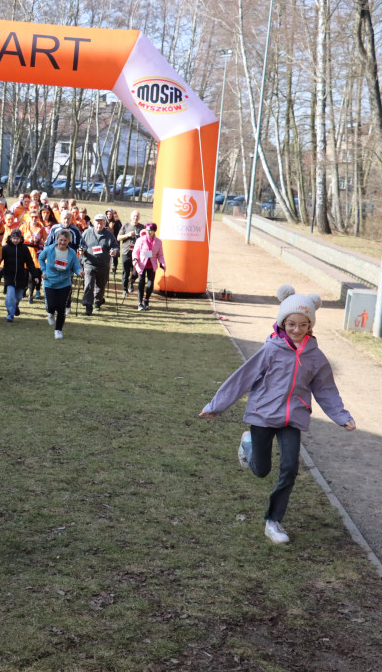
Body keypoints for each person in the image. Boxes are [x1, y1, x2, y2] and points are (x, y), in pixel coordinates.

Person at [198, 285, 357, 544]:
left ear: (310, 326)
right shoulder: (271, 350)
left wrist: (341, 416)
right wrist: (216, 405)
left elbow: (325, 389)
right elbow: (242, 378)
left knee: (290, 467)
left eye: (303, 325)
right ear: (283, 322)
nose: (296, 330)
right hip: (262, 416)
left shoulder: (316, 357)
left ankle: (273, 521)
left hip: (292, 419)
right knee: (261, 470)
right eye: (291, 324)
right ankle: (247, 443)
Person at [38, 229, 82, 340]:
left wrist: (79, 271)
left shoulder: (71, 253)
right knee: (51, 306)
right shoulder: (49, 249)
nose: (62, 243)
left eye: (65, 240)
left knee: (61, 307)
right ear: (57, 239)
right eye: (60, 240)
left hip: (64, 283)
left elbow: (76, 266)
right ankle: (51, 313)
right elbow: (41, 258)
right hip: (49, 281)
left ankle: (58, 330)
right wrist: (43, 270)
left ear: (69, 241)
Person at [0, 228, 40, 322]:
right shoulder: (6, 248)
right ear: (10, 238)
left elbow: (30, 263)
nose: (15, 240)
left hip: (21, 276)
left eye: (17, 238)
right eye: (14, 238)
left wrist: (35, 276)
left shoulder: (24, 249)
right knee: (10, 295)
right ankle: (10, 314)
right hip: (9, 276)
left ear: (21, 239)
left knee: (19, 296)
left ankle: (15, 306)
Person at [78, 213, 118, 315]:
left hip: (103, 265)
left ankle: (98, 300)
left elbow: (116, 247)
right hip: (89, 264)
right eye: (97, 223)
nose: (99, 225)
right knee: (88, 285)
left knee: (100, 287)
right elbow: (81, 245)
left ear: (105, 223)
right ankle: (88, 305)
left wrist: (114, 251)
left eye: (101, 223)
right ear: (94, 223)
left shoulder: (109, 235)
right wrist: (81, 250)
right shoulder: (87, 233)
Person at [132, 222, 165, 311]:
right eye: (147, 230)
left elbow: (160, 255)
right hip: (141, 265)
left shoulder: (158, 242)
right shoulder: (140, 240)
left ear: (154, 231)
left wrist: (162, 263)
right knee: (141, 283)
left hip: (152, 265)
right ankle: (140, 303)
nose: (148, 232)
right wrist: (135, 259)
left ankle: (146, 300)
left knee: (150, 285)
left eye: (150, 230)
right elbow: (135, 251)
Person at [117, 210, 144, 295]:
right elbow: (118, 238)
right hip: (126, 253)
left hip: (137, 254)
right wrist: (127, 235)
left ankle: (131, 282)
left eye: (137, 216)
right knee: (126, 272)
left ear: (139, 217)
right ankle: (125, 289)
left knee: (136, 272)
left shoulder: (142, 227)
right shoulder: (126, 225)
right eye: (134, 216)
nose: (135, 218)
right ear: (131, 217)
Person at [107, 209, 123, 277]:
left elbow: (119, 230)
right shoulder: (105, 221)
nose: (109, 216)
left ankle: (114, 267)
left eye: (111, 214)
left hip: (115, 240)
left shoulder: (117, 222)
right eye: (108, 214)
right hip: (107, 240)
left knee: (115, 255)